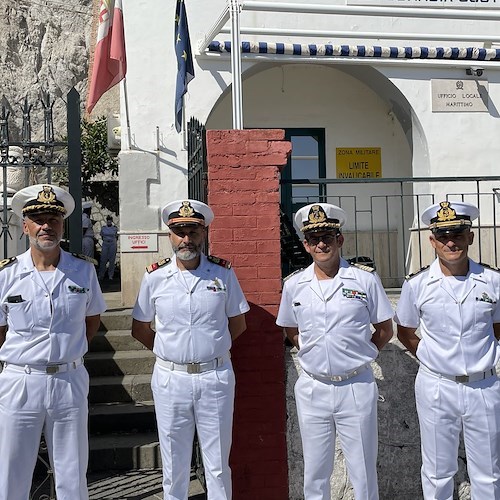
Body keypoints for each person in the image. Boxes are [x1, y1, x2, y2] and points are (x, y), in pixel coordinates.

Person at [131, 199, 250, 500]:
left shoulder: (222, 274)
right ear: (169, 235)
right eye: (179, 231)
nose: (187, 239)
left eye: (193, 231)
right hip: (172, 380)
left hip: (215, 377)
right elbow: (140, 328)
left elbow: (237, 323)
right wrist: (172, 351)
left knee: (218, 464)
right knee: (174, 464)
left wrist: (211, 349)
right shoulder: (154, 277)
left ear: (204, 233)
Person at [276, 202, 394, 500]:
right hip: (313, 386)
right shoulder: (294, 285)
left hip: (355, 384)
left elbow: (384, 329)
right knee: (315, 469)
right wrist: (311, 351)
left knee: (363, 468)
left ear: (339, 240)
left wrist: (360, 355)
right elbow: (290, 328)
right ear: (305, 245)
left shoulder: (364, 279)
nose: (321, 244)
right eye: (314, 239)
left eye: (327, 237)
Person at [0, 184, 106, 500]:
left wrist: (67, 353)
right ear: (25, 225)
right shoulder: (6, 275)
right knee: (12, 468)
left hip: (68, 379)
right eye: (38, 219)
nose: (47, 225)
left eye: (53, 219)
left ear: (63, 224)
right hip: (21, 380)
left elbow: (91, 321)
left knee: (73, 470)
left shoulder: (83, 270)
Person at [395, 200, 500, 499]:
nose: (450, 241)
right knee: (437, 471)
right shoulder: (417, 285)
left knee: (489, 473)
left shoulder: (493, 281)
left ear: (471, 236)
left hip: (484, 386)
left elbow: (497, 327)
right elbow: (405, 330)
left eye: (457, 233)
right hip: (437, 386)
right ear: (432, 241)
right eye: (442, 236)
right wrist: (433, 359)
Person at [99, 215, 118, 281]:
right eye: (108, 220)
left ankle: (110, 275)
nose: (109, 221)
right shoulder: (103, 228)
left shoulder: (115, 228)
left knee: (112, 260)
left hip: (112, 243)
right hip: (105, 244)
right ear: (106, 221)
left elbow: (116, 236)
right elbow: (101, 236)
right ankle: (101, 275)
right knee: (103, 260)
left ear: (112, 221)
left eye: (110, 220)